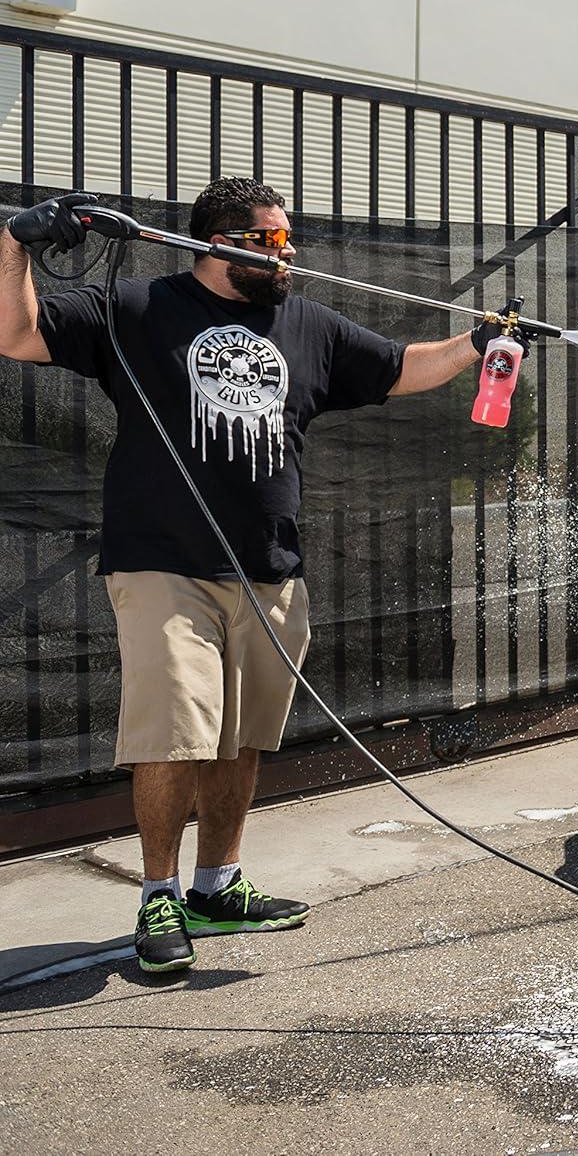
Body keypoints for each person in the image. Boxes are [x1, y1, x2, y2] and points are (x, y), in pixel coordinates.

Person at [0, 180, 502, 974]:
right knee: (174, 735)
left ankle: (218, 887)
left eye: (288, 239)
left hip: (269, 571)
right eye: (270, 241)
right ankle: (158, 895)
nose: (287, 252)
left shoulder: (307, 324)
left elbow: (400, 367)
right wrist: (15, 246)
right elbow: (19, 334)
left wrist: (476, 343)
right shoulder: (137, 308)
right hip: (163, 565)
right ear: (220, 244)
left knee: (239, 740)